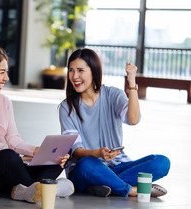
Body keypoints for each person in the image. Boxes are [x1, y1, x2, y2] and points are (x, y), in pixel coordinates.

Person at [0, 46, 74, 203]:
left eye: (6, 72)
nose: (6, 78)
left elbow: (14, 140)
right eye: (2, 72)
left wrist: (39, 152)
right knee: (9, 157)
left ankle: (24, 190)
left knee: (58, 158)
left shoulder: (4, 101)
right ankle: (48, 189)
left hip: (1, 168)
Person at [59, 48, 170, 197]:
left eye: (80, 70)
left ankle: (103, 185)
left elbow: (133, 119)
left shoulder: (113, 95)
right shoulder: (67, 107)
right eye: (71, 70)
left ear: (94, 71)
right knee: (87, 164)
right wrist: (98, 153)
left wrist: (132, 82)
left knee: (162, 162)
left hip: (118, 166)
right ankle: (130, 190)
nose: (74, 76)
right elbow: (77, 152)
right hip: (86, 170)